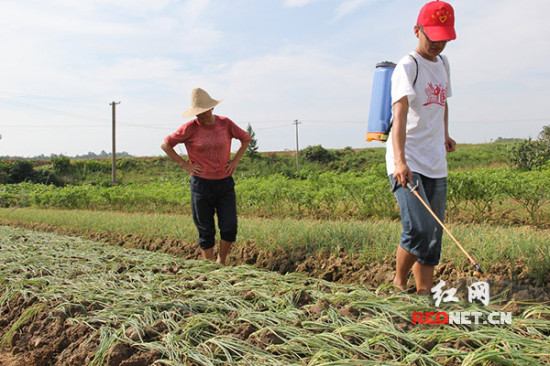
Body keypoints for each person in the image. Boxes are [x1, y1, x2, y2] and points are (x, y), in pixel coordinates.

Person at [386, 0, 457, 295]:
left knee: (434, 234)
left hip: (436, 161)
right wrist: (400, 161)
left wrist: (445, 134)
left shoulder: (443, 64)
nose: (438, 44)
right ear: (417, 30)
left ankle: (424, 292)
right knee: (418, 228)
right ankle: (399, 283)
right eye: (432, 37)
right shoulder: (407, 66)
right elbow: (399, 115)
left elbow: (442, 104)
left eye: (444, 38)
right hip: (409, 160)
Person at [161, 88, 251, 265]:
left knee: (229, 227)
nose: (200, 116)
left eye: (204, 112)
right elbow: (166, 145)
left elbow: (246, 139)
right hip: (201, 185)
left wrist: (235, 161)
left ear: (211, 109)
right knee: (205, 229)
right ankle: (208, 267)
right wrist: (185, 165)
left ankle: (221, 260)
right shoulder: (190, 128)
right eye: (197, 113)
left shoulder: (225, 124)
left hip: (224, 183)